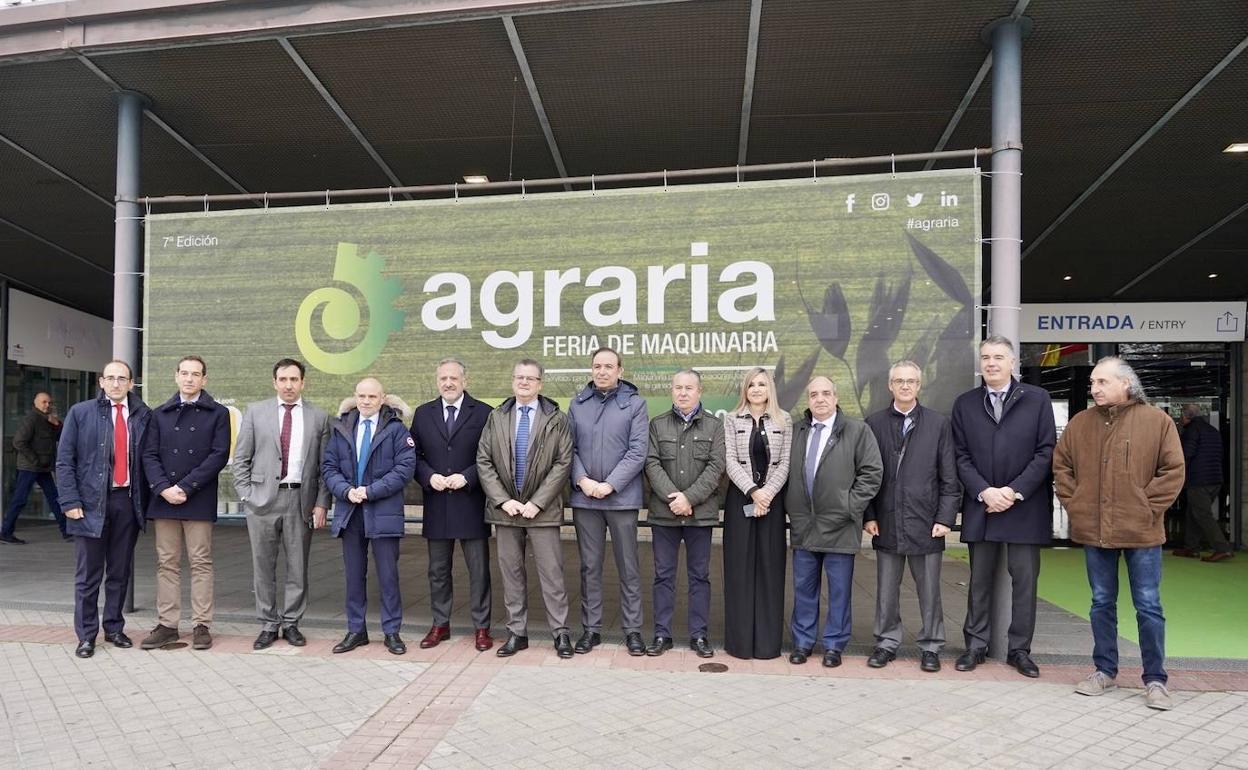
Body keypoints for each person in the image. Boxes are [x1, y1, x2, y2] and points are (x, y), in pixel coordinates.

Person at [1053, 357, 1185, 710]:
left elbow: (1173, 470)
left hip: (1142, 532)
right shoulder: (1080, 424)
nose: (1094, 388)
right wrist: (1077, 503)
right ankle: (1104, 671)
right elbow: (1061, 465)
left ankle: (1155, 680)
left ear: (1126, 384)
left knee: (1148, 606)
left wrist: (1145, 507)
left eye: (1102, 382)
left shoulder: (1157, 422)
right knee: (1100, 603)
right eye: (1093, 383)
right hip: (1095, 532)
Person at [950, 335, 1056, 677]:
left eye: (998, 357)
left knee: (1025, 582)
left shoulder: (1037, 399)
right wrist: (984, 491)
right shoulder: (965, 403)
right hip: (983, 506)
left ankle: (1020, 650)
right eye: (985, 357)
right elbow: (960, 456)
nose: (991, 363)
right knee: (979, 580)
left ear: (1013, 363)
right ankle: (975, 647)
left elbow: (1046, 451)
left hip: (1024, 506)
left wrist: (1013, 491)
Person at [863, 361, 960, 672]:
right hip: (887, 521)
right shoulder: (874, 423)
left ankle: (931, 646)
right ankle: (886, 643)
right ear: (890, 386)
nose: (905, 386)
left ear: (920, 386)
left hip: (927, 522)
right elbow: (865, 475)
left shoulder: (938, 424)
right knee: (886, 591)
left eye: (911, 381)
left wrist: (945, 517)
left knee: (930, 591)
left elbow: (949, 476)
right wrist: (869, 514)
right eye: (899, 381)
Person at [476, 359, 575, 659]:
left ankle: (560, 634)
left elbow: (563, 462)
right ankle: (516, 633)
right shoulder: (497, 416)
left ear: (540, 384)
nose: (524, 382)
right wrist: (504, 500)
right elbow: (484, 460)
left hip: (541, 511)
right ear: (512, 380)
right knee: (512, 574)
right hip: (506, 511)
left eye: (530, 378)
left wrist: (537, 502)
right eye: (519, 377)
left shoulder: (556, 418)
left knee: (551, 574)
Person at [232, 358, 331, 650]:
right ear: (274, 382)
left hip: (300, 499)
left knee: (297, 567)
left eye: (294, 379)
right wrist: (247, 495)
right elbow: (241, 459)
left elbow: (325, 466)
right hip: (261, 501)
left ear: (303, 382)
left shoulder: (319, 416)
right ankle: (267, 624)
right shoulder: (255, 412)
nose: (289, 385)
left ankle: (291, 624)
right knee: (263, 566)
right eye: (283, 379)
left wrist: (322, 503)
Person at [785, 376, 882, 667]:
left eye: (826, 393)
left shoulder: (856, 430)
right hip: (805, 524)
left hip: (841, 525)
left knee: (839, 591)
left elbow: (871, 473)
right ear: (808, 400)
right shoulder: (797, 431)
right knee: (804, 588)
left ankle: (834, 646)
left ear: (836, 397)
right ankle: (802, 643)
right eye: (814, 394)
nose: (820, 399)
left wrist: (849, 506)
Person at [56, 361, 151, 658]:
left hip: (127, 502)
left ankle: (113, 627)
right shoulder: (81, 413)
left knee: (120, 572)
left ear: (131, 383)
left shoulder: (143, 415)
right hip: (89, 504)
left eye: (121, 378)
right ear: (100, 381)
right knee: (88, 575)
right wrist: (70, 502)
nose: (115, 383)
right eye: (110, 378)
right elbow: (64, 460)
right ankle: (86, 635)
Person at [139, 355, 231, 652]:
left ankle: (202, 624)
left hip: (198, 497)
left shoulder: (218, 413)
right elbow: (148, 455)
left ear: (204, 379)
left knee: (201, 562)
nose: (189, 379)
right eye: (184, 373)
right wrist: (164, 488)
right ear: (176, 376)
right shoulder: (159, 413)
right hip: (165, 499)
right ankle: (167, 624)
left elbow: (219, 455)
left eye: (196, 374)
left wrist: (186, 486)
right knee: (167, 562)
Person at [322, 377, 416, 655]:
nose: (366, 401)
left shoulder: (397, 430)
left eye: (372, 397)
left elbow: (404, 469)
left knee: (388, 576)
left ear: (382, 398)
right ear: (355, 396)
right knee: (353, 575)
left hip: (382, 511)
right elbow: (328, 467)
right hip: (350, 511)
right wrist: (345, 491)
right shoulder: (341, 428)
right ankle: (356, 630)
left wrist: (370, 491)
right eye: (361, 396)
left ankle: (391, 632)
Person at [567, 347, 649, 656]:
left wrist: (610, 485)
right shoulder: (577, 406)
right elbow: (568, 449)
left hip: (622, 499)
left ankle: (633, 631)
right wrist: (584, 480)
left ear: (620, 371)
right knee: (590, 567)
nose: (602, 371)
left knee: (628, 566)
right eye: (597, 366)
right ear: (591, 370)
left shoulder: (635, 405)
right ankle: (591, 629)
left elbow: (638, 450)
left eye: (609, 366)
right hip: (585, 498)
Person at [410, 357, 494, 652]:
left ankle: (482, 628)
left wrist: (468, 477)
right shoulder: (423, 414)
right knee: (438, 570)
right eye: (443, 378)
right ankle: (440, 624)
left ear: (464, 381)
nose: (448, 383)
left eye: (454, 378)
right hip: (437, 504)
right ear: (437, 381)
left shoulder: (484, 413)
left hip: (470, 503)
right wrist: (428, 476)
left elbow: (491, 457)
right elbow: (414, 456)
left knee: (479, 571)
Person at [643, 369, 726, 657]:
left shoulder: (715, 427)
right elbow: (651, 464)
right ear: (671, 391)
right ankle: (662, 635)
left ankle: (699, 635)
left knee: (699, 576)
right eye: (678, 387)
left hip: (699, 515)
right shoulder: (657, 425)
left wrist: (688, 498)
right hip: (664, 515)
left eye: (689, 387)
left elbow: (716, 468)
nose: (683, 392)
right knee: (663, 576)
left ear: (699, 391)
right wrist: (673, 499)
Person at [722, 367, 791, 660]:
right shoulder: (730, 419)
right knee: (739, 572)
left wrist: (767, 494)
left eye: (762, 384)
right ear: (745, 390)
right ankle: (739, 644)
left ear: (770, 389)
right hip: (741, 503)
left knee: (770, 573)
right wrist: (753, 491)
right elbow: (730, 459)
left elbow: (785, 462)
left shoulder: (783, 420)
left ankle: (766, 645)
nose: (756, 389)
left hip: (772, 505)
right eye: (751, 384)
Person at [2, 392, 65, 543]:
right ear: (35, 403)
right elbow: (19, 442)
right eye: (44, 402)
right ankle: (5, 532)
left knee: (55, 498)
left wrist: (57, 424)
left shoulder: (47, 419)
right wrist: (35, 460)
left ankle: (67, 531)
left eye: (49, 403)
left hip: (42, 468)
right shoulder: (31, 419)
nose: (47, 405)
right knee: (20, 499)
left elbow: (60, 436)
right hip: (30, 467)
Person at [1174, 404, 1232, 562]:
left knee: (1203, 514)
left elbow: (1186, 455)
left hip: (1199, 480)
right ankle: (1190, 548)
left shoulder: (1192, 431)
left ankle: (1222, 548)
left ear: (1186, 417)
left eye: (1181, 415)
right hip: (1215, 479)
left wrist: (1175, 473)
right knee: (1194, 512)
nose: (1180, 418)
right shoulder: (1212, 430)